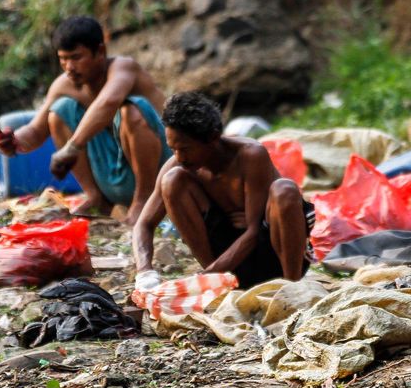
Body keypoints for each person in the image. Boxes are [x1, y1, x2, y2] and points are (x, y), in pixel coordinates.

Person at [0, 15, 170, 225]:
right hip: (113, 173)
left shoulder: (123, 68)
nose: (69, 66)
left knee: (131, 111)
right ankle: (97, 198)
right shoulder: (63, 85)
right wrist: (13, 142)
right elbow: (36, 131)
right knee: (58, 111)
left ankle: (143, 199)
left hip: (161, 169)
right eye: (63, 59)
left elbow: (108, 102)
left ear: (100, 52)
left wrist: (72, 147)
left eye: (76, 57)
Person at [132, 91, 315, 289]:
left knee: (284, 189)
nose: (179, 157)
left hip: (273, 257)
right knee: (172, 180)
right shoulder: (178, 166)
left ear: (213, 138)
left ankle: (292, 288)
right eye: (173, 149)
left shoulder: (250, 155)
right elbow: (143, 224)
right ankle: (219, 283)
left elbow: (253, 233)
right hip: (229, 265)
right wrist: (144, 273)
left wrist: (205, 277)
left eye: (185, 149)